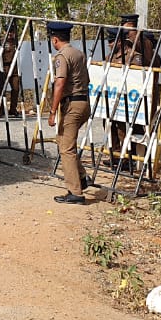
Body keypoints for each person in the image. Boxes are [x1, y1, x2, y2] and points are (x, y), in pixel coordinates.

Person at [46, 21, 91, 205]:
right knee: (63, 141)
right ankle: (81, 178)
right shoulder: (79, 54)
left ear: (55, 39)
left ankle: (76, 192)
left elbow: (60, 83)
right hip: (83, 103)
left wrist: (52, 111)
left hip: (72, 105)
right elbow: (87, 79)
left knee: (66, 149)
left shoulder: (62, 56)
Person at [107, 13, 145, 171]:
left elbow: (136, 78)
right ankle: (117, 155)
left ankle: (128, 157)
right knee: (111, 126)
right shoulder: (110, 57)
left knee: (126, 128)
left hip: (129, 100)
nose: (109, 45)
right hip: (113, 98)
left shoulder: (134, 56)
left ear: (120, 41)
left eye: (111, 41)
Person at [0, 27, 23, 118]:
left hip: (14, 68)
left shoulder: (16, 42)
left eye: (12, 32)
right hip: (4, 68)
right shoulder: (1, 42)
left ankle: (13, 109)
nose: (10, 33)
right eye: (8, 31)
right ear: (4, 32)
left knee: (16, 89)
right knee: (2, 90)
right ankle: (1, 110)